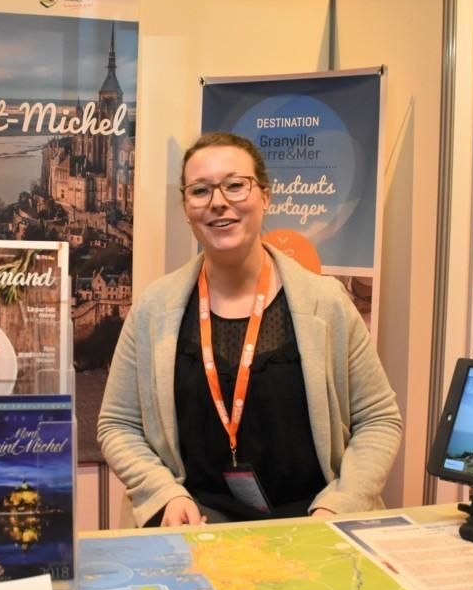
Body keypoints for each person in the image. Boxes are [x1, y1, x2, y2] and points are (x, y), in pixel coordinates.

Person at [98, 132, 403, 527]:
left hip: (312, 529)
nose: (218, 202)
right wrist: (163, 493)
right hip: (195, 527)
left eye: (235, 185)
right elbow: (118, 424)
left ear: (265, 196)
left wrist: (340, 505)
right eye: (200, 191)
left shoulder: (327, 304)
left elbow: (379, 419)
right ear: (187, 207)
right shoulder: (153, 309)